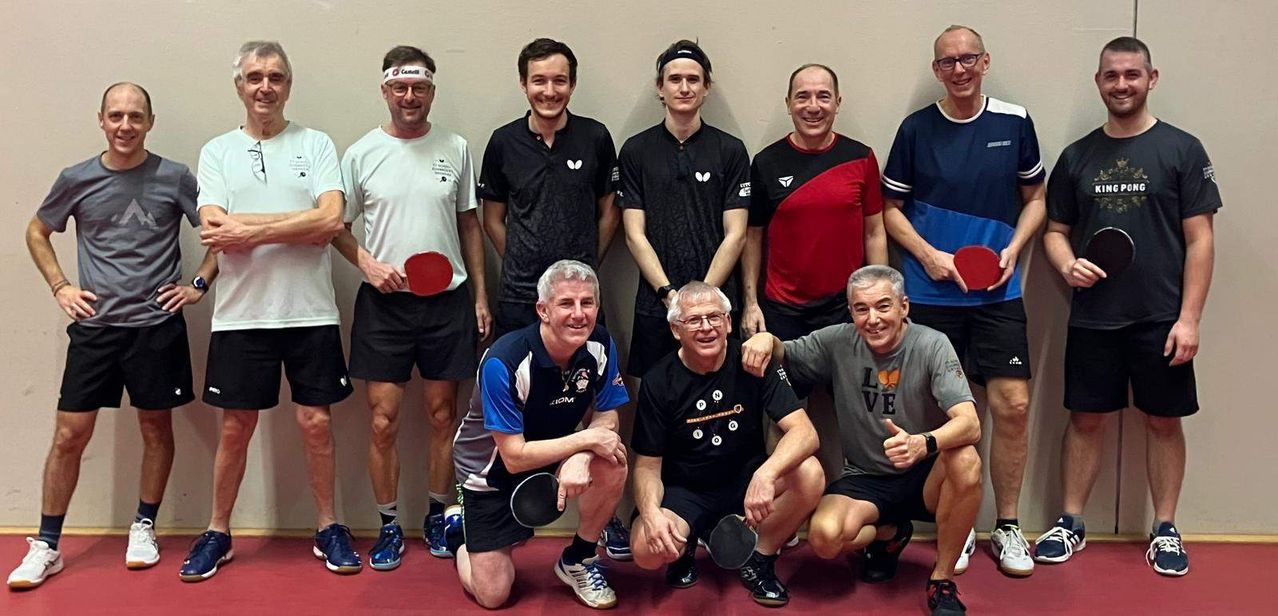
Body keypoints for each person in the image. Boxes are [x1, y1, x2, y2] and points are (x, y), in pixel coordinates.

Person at [8, 83, 212, 590]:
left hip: (156, 328)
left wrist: (197, 285)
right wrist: (60, 286)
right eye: (116, 115)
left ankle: (143, 526)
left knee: (156, 429)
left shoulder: (175, 177)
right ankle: (47, 545)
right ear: (101, 119)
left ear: (150, 122)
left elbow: (218, 233)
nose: (125, 125)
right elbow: (37, 230)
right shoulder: (76, 178)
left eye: (135, 116)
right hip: (96, 331)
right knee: (69, 435)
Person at [1039, 36, 1219, 578]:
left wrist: (1189, 319)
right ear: (1099, 81)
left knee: (1164, 422)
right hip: (1094, 317)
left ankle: (1165, 529)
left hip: (1162, 318)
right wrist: (1066, 264)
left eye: (1132, 75)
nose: (1121, 84)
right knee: (1085, 419)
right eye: (1111, 75)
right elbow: (1054, 231)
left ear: (1151, 78)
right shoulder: (1077, 157)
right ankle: (1070, 522)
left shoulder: (1183, 150)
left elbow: (1201, 240)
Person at [178, 41, 355, 582]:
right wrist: (299, 224)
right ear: (239, 86)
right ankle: (217, 532)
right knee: (236, 428)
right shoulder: (217, 152)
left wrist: (249, 228)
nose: (265, 87)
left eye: (275, 77)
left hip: (311, 313)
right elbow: (215, 228)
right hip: (241, 316)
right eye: (254, 77)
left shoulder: (316, 144)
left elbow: (331, 219)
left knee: (316, 423)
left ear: (288, 85)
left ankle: (329, 526)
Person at [880, 24, 1045, 576]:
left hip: (998, 292)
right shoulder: (915, 129)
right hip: (931, 293)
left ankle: (1009, 526)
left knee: (1013, 406)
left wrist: (1014, 250)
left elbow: (1036, 199)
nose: (959, 69)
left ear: (985, 62)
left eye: (968, 59)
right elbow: (890, 211)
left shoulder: (1015, 122)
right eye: (948, 62)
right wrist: (929, 257)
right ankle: (960, 519)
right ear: (937, 70)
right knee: (948, 414)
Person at [742, 265, 981, 616]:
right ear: (851, 311)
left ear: (904, 306)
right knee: (824, 537)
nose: (873, 319)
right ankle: (889, 534)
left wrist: (923, 443)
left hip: (923, 474)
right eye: (861, 309)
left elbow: (970, 424)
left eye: (883, 306)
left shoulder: (932, 344)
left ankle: (941, 580)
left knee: (966, 458)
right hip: (865, 477)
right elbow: (783, 353)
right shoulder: (838, 340)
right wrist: (766, 340)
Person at [334, 45, 489, 569]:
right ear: (385, 91)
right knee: (383, 421)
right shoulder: (361, 154)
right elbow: (337, 226)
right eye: (400, 87)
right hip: (385, 307)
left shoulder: (456, 148)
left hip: (447, 305)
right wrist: (368, 264)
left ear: (431, 92)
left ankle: (439, 516)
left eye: (419, 87)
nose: (409, 96)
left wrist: (480, 295)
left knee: (444, 415)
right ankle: (388, 526)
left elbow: (469, 224)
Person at [448, 261, 629, 609]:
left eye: (587, 303)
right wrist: (584, 441)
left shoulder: (600, 344)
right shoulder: (505, 361)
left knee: (613, 461)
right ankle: (459, 533)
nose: (579, 314)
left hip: (553, 451)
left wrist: (583, 455)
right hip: (491, 473)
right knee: (493, 595)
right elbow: (514, 457)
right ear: (543, 310)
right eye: (566, 304)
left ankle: (578, 559)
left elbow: (607, 417)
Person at [629, 282, 824, 607]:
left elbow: (805, 433)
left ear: (728, 322)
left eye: (714, 317)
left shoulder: (754, 362)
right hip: (686, 491)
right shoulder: (658, 380)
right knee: (645, 552)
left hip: (746, 483)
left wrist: (765, 474)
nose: (706, 327)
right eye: (694, 320)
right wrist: (650, 514)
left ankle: (759, 557)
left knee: (810, 473)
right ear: (676, 330)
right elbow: (647, 466)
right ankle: (687, 543)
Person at [620, 39, 750, 378]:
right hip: (657, 303)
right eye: (674, 79)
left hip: (717, 305)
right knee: (656, 393)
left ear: (706, 87)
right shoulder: (635, 151)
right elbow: (634, 235)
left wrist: (701, 302)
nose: (684, 87)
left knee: (722, 393)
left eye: (693, 79)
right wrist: (670, 295)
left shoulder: (731, 150)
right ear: (660, 87)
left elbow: (736, 234)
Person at [479, 38, 620, 339]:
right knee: (516, 368)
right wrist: (518, 259)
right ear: (523, 83)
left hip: (580, 295)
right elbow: (491, 218)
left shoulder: (595, 137)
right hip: (520, 294)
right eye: (539, 81)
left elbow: (610, 212)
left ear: (572, 84)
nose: (549, 91)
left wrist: (586, 265)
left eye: (559, 81)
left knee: (586, 368)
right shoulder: (503, 142)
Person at [741, 63, 887, 343]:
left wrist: (879, 297)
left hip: (846, 306)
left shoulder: (861, 157)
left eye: (823, 96)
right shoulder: (766, 162)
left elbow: (874, 232)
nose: (813, 106)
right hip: (783, 310)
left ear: (837, 103)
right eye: (802, 96)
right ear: (788, 104)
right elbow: (752, 236)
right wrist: (751, 303)